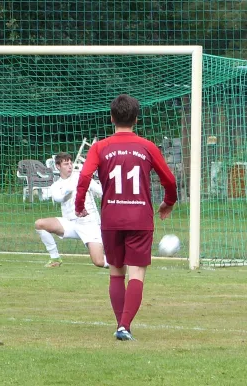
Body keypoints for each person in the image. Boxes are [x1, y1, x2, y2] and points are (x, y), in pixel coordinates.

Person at [75, 94, 177, 341]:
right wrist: (168, 202)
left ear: (112, 118)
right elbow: (170, 180)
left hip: (112, 219)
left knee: (116, 273)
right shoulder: (147, 146)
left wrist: (79, 204)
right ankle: (124, 326)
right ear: (136, 119)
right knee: (137, 274)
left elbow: (85, 177)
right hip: (140, 218)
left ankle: (121, 325)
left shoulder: (100, 147)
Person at [35, 152, 108, 268]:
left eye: (70, 163)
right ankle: (55, 258)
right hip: (70, 223)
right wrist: (70, 188)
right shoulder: (56, 185)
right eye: (65, 164)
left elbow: (101, 192)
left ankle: (121, 263)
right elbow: (58, 198)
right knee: (40, 224)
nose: (69, 166)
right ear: (58, 166)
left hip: (89, 224)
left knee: (99, 262)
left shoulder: (82, 177)